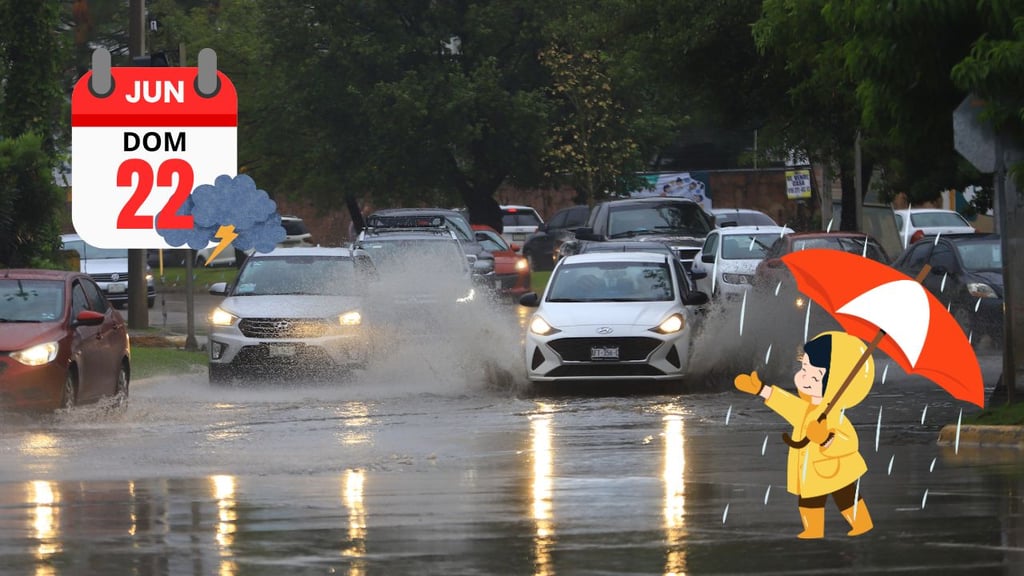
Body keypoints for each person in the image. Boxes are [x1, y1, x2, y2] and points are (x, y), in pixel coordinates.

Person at [733, 331, 874, 539]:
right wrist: (762, 390)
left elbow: (850, 442)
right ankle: (813, 529)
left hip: (834, 470)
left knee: (845, 495)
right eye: (804, 369)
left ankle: (861, 523)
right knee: (809, 499)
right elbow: (789, 406)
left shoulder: (834, 414)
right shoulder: (808, 408)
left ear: (834, 382)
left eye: (814, 375)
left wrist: (827, 439)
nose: (804, 377)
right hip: (810, 469)